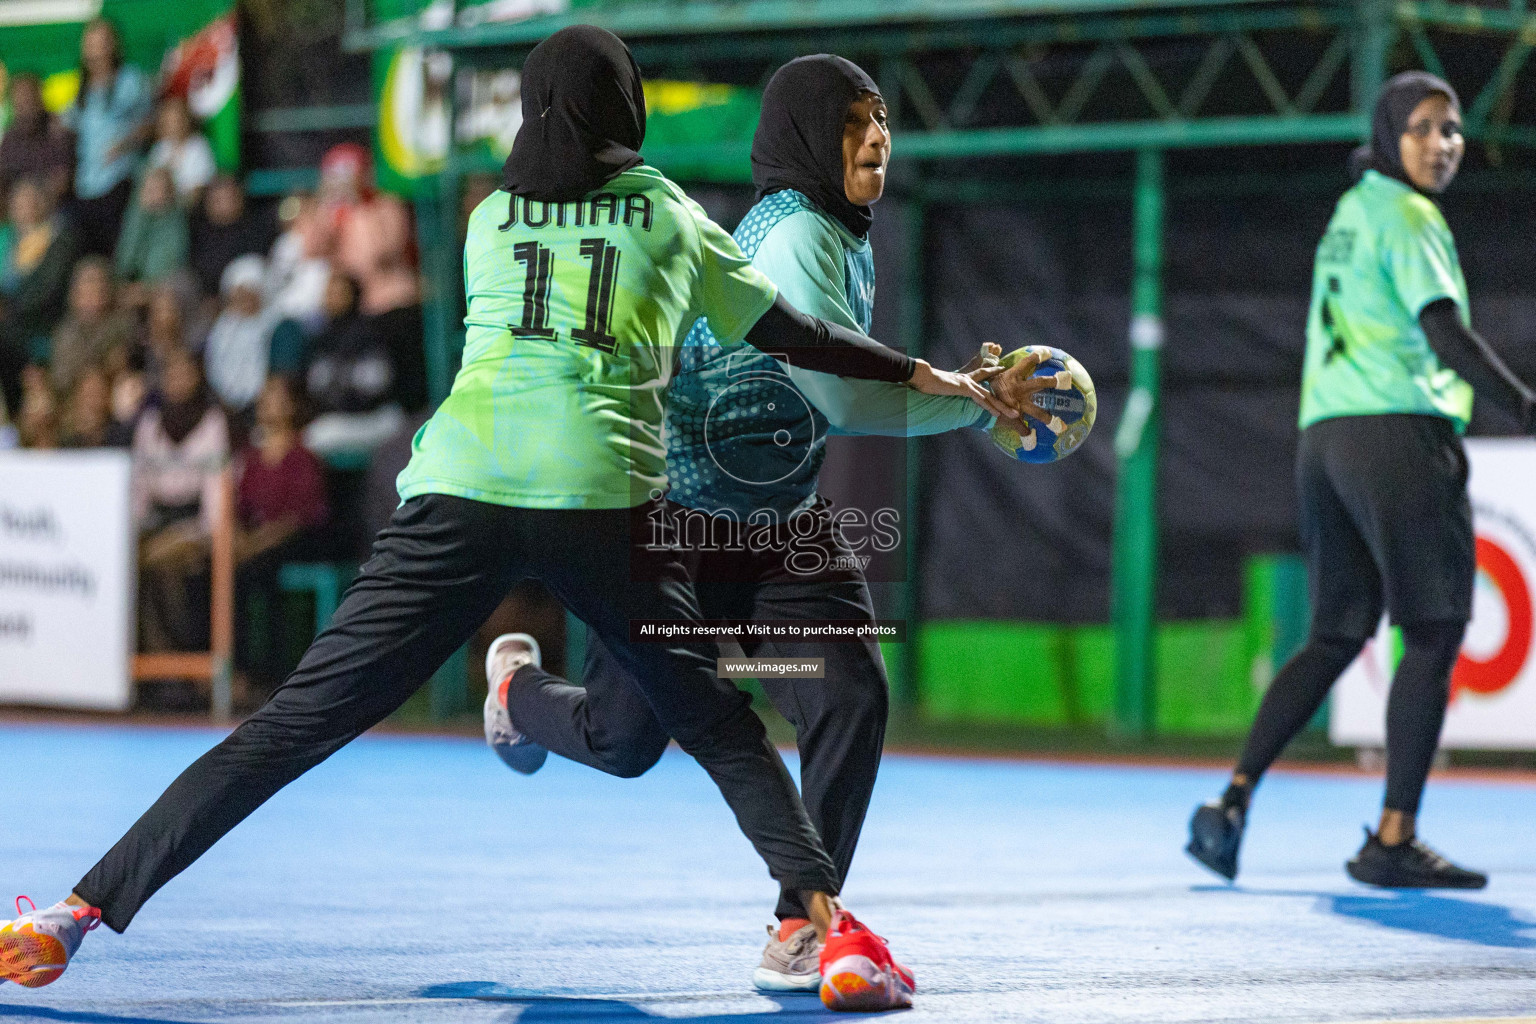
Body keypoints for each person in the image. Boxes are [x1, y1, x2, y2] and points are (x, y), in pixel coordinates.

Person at [0, 26, 1010, 1002]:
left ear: (535, 114)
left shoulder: (489, 218)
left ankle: (73, 914)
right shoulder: (667, 214)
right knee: (721, 730)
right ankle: (828, 927)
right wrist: (944, 380)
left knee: (290, 726)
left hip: (459, 490)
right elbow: (806, 341)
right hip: (600, 500)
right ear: (629, 111)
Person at [480, 53, 1060, 996]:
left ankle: (799, 924)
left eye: (881, 120)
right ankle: (516, 697)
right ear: (804, 136)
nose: (877, 137)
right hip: (678, 524)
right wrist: (973, 401)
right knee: (624, 744)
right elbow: (837, 391)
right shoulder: (792, 236)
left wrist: (972, 395)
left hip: (781, 524)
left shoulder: (842, 231)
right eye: (854, 122)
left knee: (848, 693)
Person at [1186, 72, 1536, 890]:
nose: (1440, 144)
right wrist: (1523, 405)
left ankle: (1230, 801)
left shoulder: (1350, 212)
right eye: (1421, 128)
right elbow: (1442, 331)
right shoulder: (1411, 215)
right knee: (1438, 626)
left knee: (1339, 631)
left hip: (1326, 439)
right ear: (1389, 134)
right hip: (1398, 436)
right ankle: (1392, 836)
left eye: (1450, 130)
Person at [131, 344, 230, 657]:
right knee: (134, 562)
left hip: (195, 522)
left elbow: (217, 487)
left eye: (184, 373)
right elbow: (140, 484)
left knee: (163, 565)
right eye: (171, 373)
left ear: (198, 377)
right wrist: (136, 528)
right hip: (157, 522)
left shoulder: (212, 422)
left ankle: (179, 663)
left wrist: (209, 532)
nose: (177, 380)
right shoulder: (150, 424)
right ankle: (155, 664)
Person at [235, 374, 330, 693]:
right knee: (233, 571)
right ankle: (240, 672)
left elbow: (303, 515)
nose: (267, 403)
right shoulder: (251, 457)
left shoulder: (302, 455)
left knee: (262, 567)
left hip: (298, 540)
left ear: (291, 405)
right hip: (258, 543)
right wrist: (243, 539)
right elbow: (241, 507)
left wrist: (261, 541)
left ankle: (275, 673)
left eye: (275, 396)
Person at [319, 143, 426, 411]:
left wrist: (360, 209)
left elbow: (380, 253)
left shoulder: (387, 205)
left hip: (394, 304)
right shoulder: (337, 214)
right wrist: (326, 210)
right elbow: (312, 248)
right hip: (357, 309)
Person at [63, 17, 154, 258]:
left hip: (119, 179)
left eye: (102, 42)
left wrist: (125, 143)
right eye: (91, 42)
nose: (96, 48)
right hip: (85, 184)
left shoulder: (130, 80)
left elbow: (150, 124)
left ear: (114, 45)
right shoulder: (81, 88)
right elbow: (69, 124)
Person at [298, 271, 402, 458]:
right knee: (310, 438)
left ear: (353, 295)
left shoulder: (372, 333)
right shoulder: (320, 339)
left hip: (373, 419)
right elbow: (315, 388)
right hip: (339, 423)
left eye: (339, 293)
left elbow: (378, 385)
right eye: (329, 293)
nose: (332, 299)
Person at [0, 176, 78, 418]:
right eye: (20, 202)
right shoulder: (4, 238)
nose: (26, 207)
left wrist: (8, 307)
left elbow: (48, 289)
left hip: (38, 327)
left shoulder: (59, 239)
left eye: (32, 201)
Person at [203, 255, 276, 420]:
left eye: (248, 293)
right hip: (224, 406)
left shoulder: (273, 322)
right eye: (238, 293)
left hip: (260, 406)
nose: (243, 300)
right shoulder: (223, 327)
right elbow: (213, 363)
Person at [47, 257, 133, 397]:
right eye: (88, 284)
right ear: (75, 294)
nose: (95, 292)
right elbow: (61, 379)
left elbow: (120, 362)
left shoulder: (122, 324)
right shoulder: (65, 333)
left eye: (99, 285)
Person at [189, 175, 272, 300]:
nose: (224, 204)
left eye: (229, 198)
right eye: (218, 200)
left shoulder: (256, 229)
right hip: (206, 299)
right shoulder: (198, 231)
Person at [114, 166, 190, 298]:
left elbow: (168, 264)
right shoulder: (135, 217)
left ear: (169, 193)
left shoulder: (175, 223)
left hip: (161, 286)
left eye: (157, 189)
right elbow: (125, 258)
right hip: (133, 285)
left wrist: (144, 288)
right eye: (148, 189)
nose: (151, 195)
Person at [0, 72, 74, 205]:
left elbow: (62, 182)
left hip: (54, 210)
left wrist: (32, 200)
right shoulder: (10, 138)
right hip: (18, 211)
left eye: (29, 99)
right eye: (20, 102)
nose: (25, 106)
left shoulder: (57, 131)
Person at [145, 95, 215, 207]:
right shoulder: (161, 148)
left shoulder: (199, 147)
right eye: (168, 121)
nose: (173, 126)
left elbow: (196, 194)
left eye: (176, 120)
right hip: (158, 207)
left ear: (186, 120)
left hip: (183, 210)